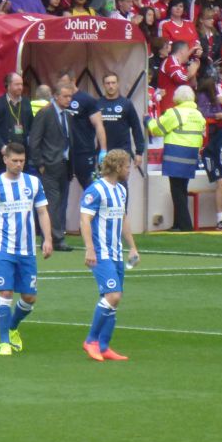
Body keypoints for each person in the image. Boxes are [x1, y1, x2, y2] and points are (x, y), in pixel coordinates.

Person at [0, 142, 53, 356]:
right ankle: (3, 343)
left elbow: (42, 212)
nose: (19, 165)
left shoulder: (33, 183)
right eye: (15, 161)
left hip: (27, 250)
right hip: (3, 249)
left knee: (29, 298)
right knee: (5, 292)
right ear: (6, 160)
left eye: (22, 161)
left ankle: (12, 328)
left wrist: (47, 239)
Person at [80, 149, 138, 362]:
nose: (129, 170)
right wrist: (89, 248)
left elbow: (123, 219)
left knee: (115, 299)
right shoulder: (96, 190)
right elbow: (84, 220)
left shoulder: (121, 190)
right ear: (117, 167)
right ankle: (91, 340)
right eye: (127, 166)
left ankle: (104, 346)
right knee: (112, 296)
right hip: (101, 253)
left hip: (116, 253)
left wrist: (132, 247)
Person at [147, 85, 205, 232]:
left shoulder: (175, 112)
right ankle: (178, 224)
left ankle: (185, 226)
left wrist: (148, 120)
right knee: (182, 189)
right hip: (191, 154)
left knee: (177, 190)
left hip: (176, 153)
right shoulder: (198, 114)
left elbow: (157, 129)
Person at [29, 82, 74, 251]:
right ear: (56, 96)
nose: (68, 99)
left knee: (61, 202)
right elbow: (34, 140)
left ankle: (55, 236)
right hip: (49, 164)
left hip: (64, 164)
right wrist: (40, 163)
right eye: (65, 96)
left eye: (70, 96)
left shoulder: (68, 115)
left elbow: (69, 140)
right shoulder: (46, 113)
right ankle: (54, 238)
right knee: (52, 202)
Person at [0, 72, 34, 176]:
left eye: (21, 84)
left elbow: (31, 125)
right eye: (17, 84)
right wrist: (1, 147)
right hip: (3, 155)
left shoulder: (26, 103)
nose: (20, 87)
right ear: (8, 85)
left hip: (21, 155)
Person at [97, 72, 145, 171]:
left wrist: (139, 152)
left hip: (123, 152)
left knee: (121, 184)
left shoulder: (126, 103)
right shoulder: (97, 104)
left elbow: (136, 128)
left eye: (113, 83)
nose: (111, 86)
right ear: (104, 85)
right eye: (108, 83)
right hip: (105, 152)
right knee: (105, 184)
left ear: (118, 84)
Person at [158, 41, 200, 111]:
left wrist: (194, 67)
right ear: (182, 51)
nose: (189, 54)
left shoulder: (181, 66)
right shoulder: (170, 60)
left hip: (181, 109)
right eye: (188, 50)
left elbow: (193, 84)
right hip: (170, 109)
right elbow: (179, 78)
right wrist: (193, 70)